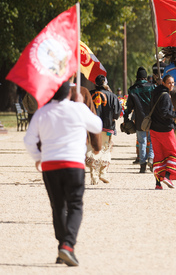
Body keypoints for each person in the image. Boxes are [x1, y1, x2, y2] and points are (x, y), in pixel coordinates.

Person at [23, 81, 103, 266]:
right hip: (74, 163)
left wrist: (38, 157)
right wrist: (82, 104)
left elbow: (29, 139)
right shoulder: (78, 108)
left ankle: (62, 247)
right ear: (69, 94)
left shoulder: (42, 112)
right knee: (75, 205)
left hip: (50, 164)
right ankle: (68, 245)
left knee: (57, 206)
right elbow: (97, 126)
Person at [149, 74, 176, 189]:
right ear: (163, 83)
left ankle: (158, 183)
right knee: (173, 154)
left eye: (173, 83)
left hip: (153, 129)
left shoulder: (154, 93)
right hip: (165, 130)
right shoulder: (166, 96)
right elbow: (165, 113)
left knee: (159, 156)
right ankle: (167, 176)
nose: (172, 85)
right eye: (169, 83)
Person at [89, 75, 121, 184]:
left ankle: (94, 174)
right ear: (105, 83)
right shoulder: (112, 96)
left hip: (91, 125)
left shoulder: (89, 94)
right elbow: (117, 113)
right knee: (105, 148)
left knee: (93, 149)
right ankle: (103, 173)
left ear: (95, 83)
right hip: (107, 126)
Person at [124, 67, 156, 173]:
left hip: (139, 119)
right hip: (152, 118)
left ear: (137, 77)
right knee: (152, 140)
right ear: (146, 77)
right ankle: (151, 159)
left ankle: (143, 165)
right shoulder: (152, 87)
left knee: (142, 141)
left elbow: (129, 106)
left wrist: (126, 116)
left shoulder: (132, 89)